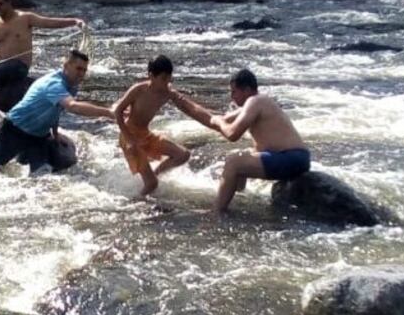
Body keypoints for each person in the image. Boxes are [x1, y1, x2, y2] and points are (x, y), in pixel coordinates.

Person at [0, 49, 112, 173]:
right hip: (14, 130)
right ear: (66, 66)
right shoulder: (54, 84)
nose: (81, 74)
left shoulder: (72, 86)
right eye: (78, 69)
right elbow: (72, 106)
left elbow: (55, 109)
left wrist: (55, 134)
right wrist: (109, 112)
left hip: (38, 137)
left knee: (41, 177)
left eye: (84, 70)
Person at [113, 55, 220, 196]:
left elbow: (190, 108)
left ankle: (155, 173)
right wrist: (130, 139)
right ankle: (135, 202)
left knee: (183, 155)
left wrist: (217, 118)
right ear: (151, 76)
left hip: (145, 134)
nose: (167, 82)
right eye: (163, 78)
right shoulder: (139, 90)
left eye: (169, 78)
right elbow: (117, 111)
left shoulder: (168, 93)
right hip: (129, 136)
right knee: (152, 184)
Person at [0, 0, 85, 112]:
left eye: (0, 4)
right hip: (0, 69)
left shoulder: (25, 18)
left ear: (9, 2)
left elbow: (49, 23)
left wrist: (74, 21)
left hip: (18, 66)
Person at [209, 69, 310, 215]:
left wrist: (218, 122)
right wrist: (180, 99)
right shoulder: (258, 102)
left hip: (291, 158)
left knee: (233, 163)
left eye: (234, 92)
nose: (232, 97)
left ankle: (217, 211)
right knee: (241, 155)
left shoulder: (255, 101)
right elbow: (224, 118)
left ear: (247, 90)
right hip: (298, 158)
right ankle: (238, 197)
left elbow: (232, 134)